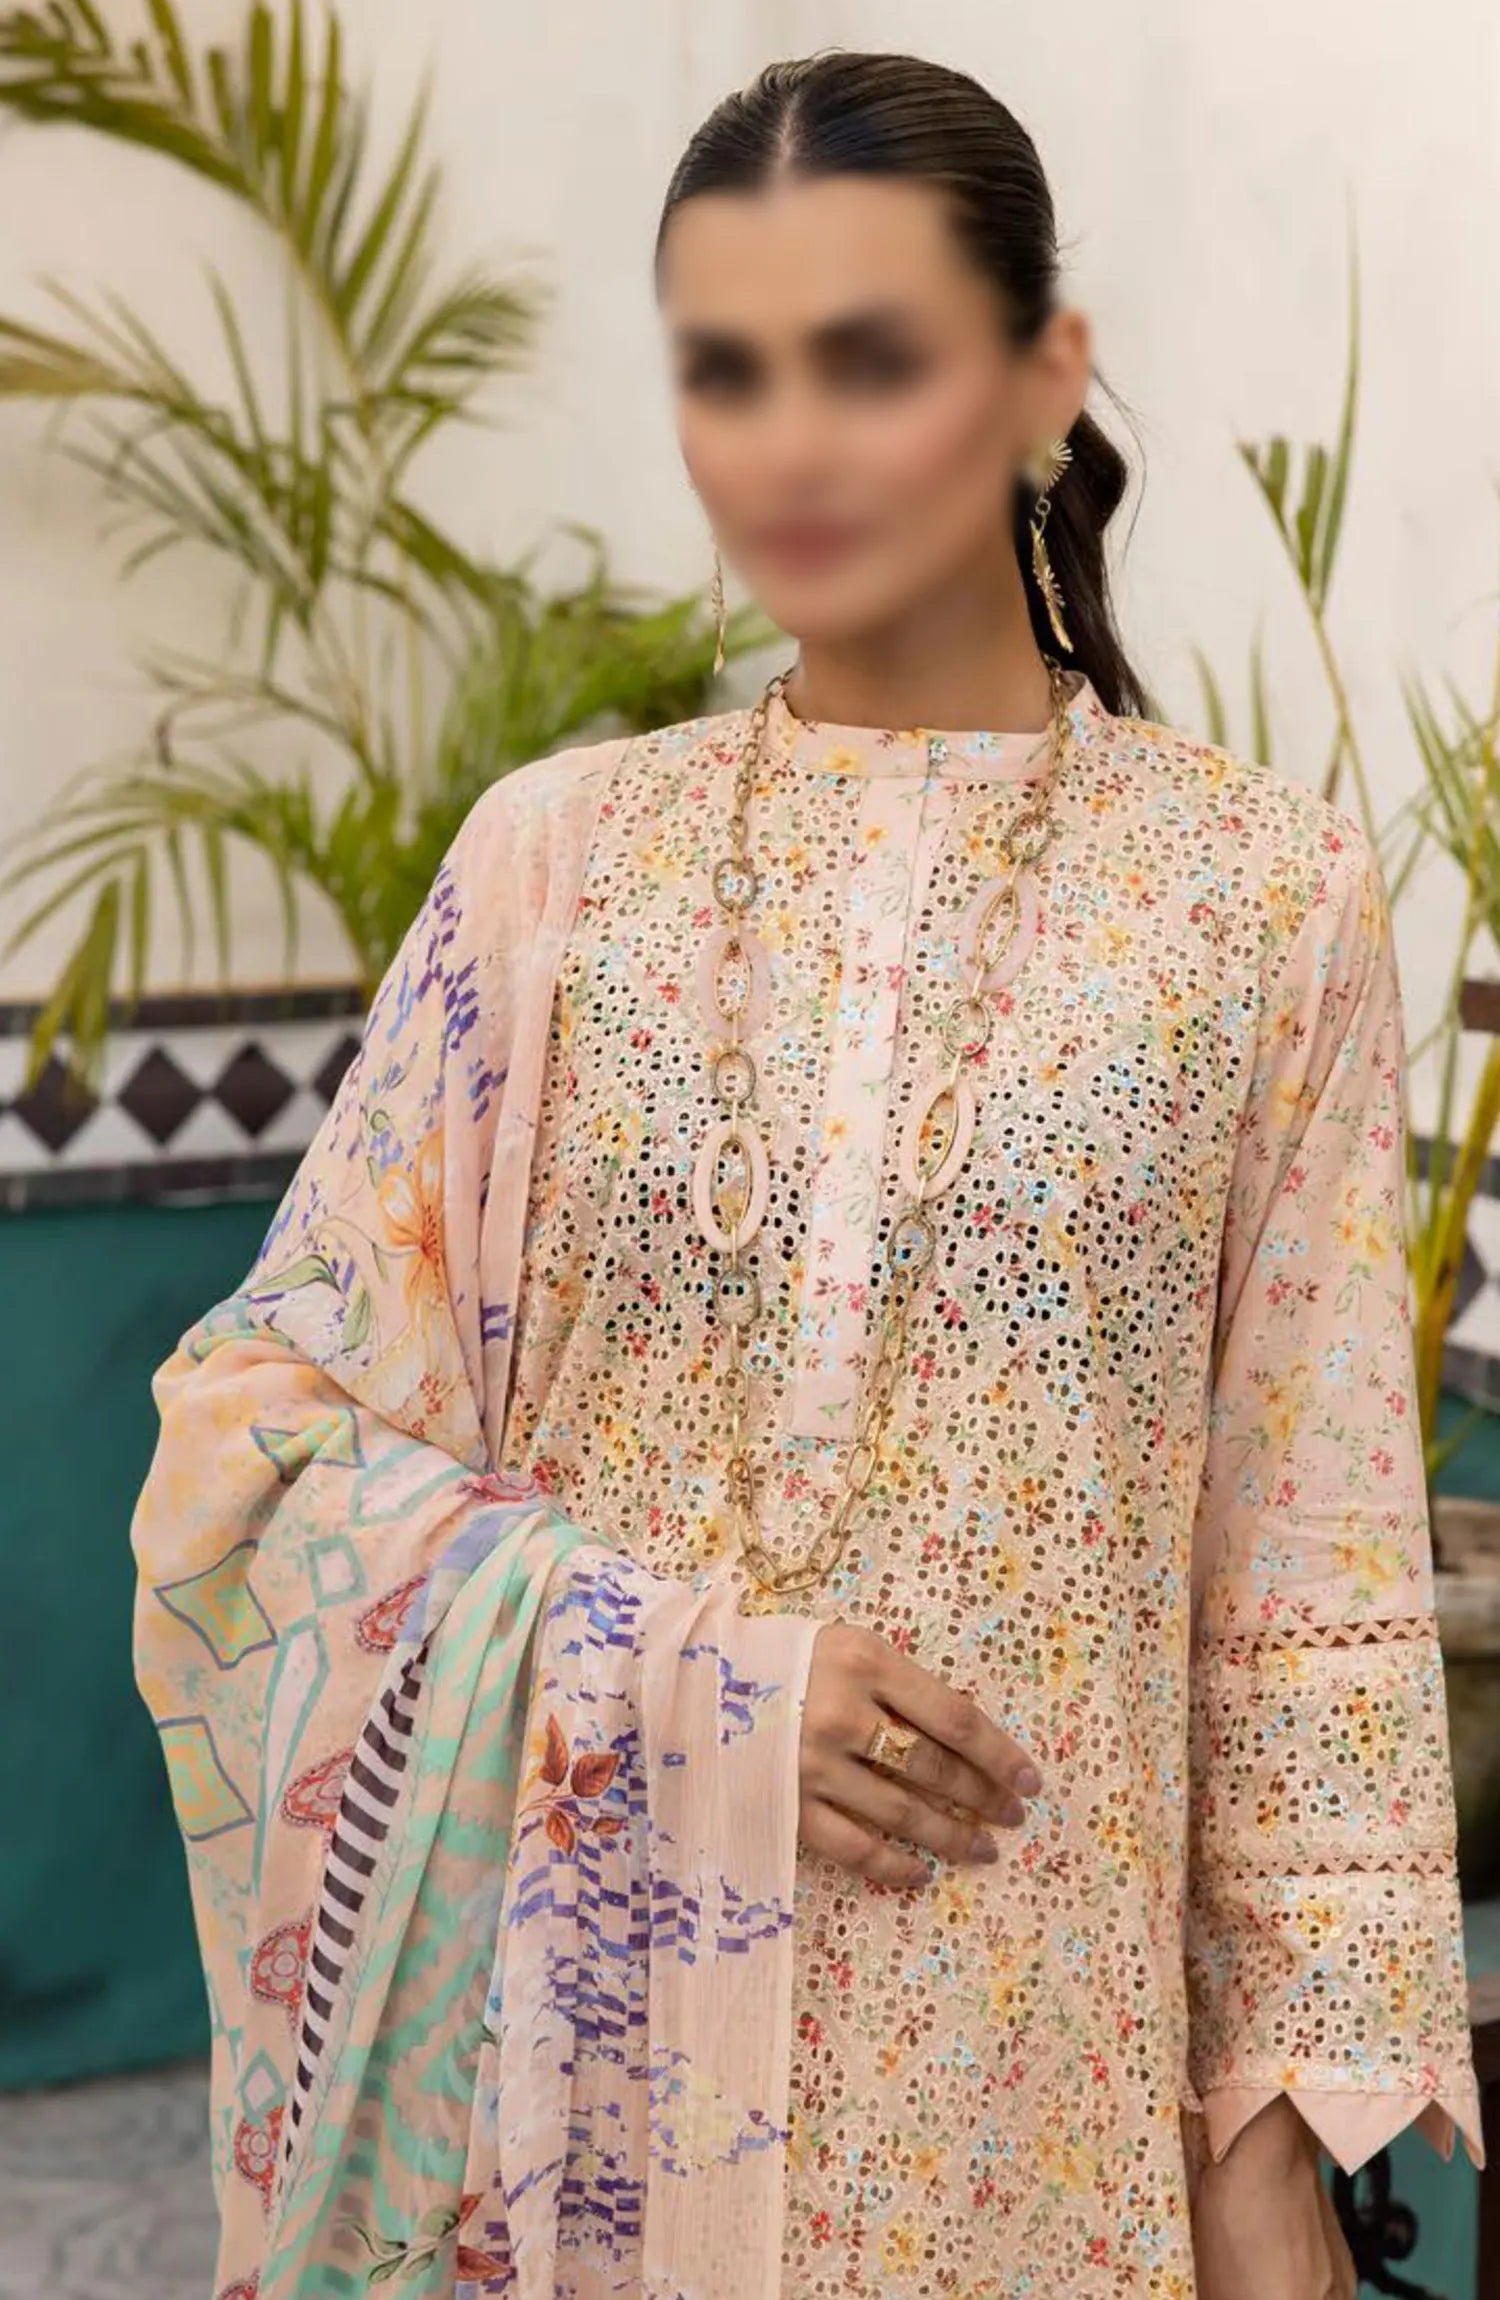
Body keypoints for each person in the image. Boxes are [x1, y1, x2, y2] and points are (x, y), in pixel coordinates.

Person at [131, 46, 1484, 2300]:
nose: (789, 446)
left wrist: (1268, 2131)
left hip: (1034, 2089)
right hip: (594, 2073)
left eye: (870, 359)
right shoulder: (559, 866)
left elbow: (1304, 1555)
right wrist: (680, 1673)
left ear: (1044, 373)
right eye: (729, 371)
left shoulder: (1261, 894)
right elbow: (258, 1442)